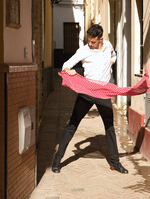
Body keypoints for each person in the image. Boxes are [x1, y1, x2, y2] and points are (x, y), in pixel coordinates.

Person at [52, 24, 128, 174]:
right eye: (89, 41)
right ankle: (57, 160)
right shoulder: (84, 51)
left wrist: (110, 64)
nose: (90, 44)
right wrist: (69, 71)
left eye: (93, 42)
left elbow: (113, 55)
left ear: (101, 39)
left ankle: (115, 162)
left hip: (103, 92)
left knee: (109, 127)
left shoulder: (108, 46)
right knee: (72, 124)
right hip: (87, 91)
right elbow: (65, 65)